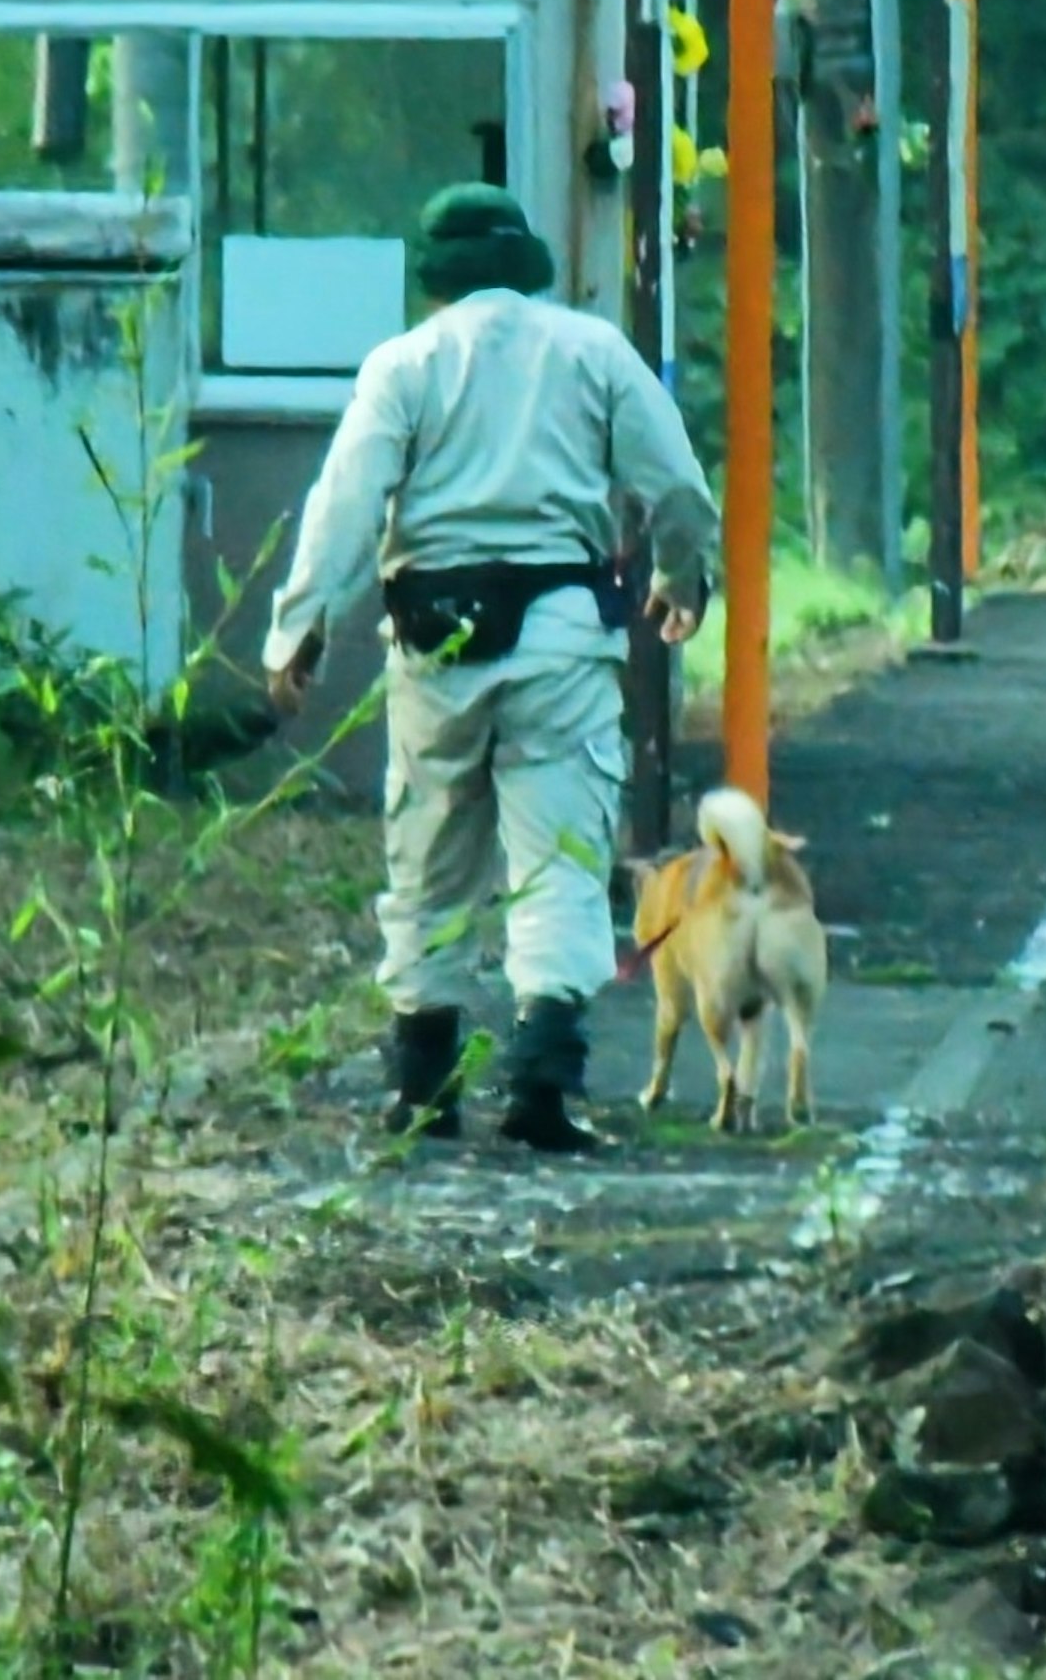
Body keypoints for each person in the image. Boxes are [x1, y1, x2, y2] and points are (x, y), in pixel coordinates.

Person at [263, 183, 717, 1154]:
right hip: (561, 631)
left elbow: (344, 504)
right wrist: (682, 574)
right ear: (529, 268)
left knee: (428, 857)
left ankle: (421, 1088)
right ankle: (543, 1085)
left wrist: (299, 630)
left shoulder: (404, 365)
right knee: (558, 855)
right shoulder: (594, 351)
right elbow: (674, 480)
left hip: (437, 637)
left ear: (436, 278)